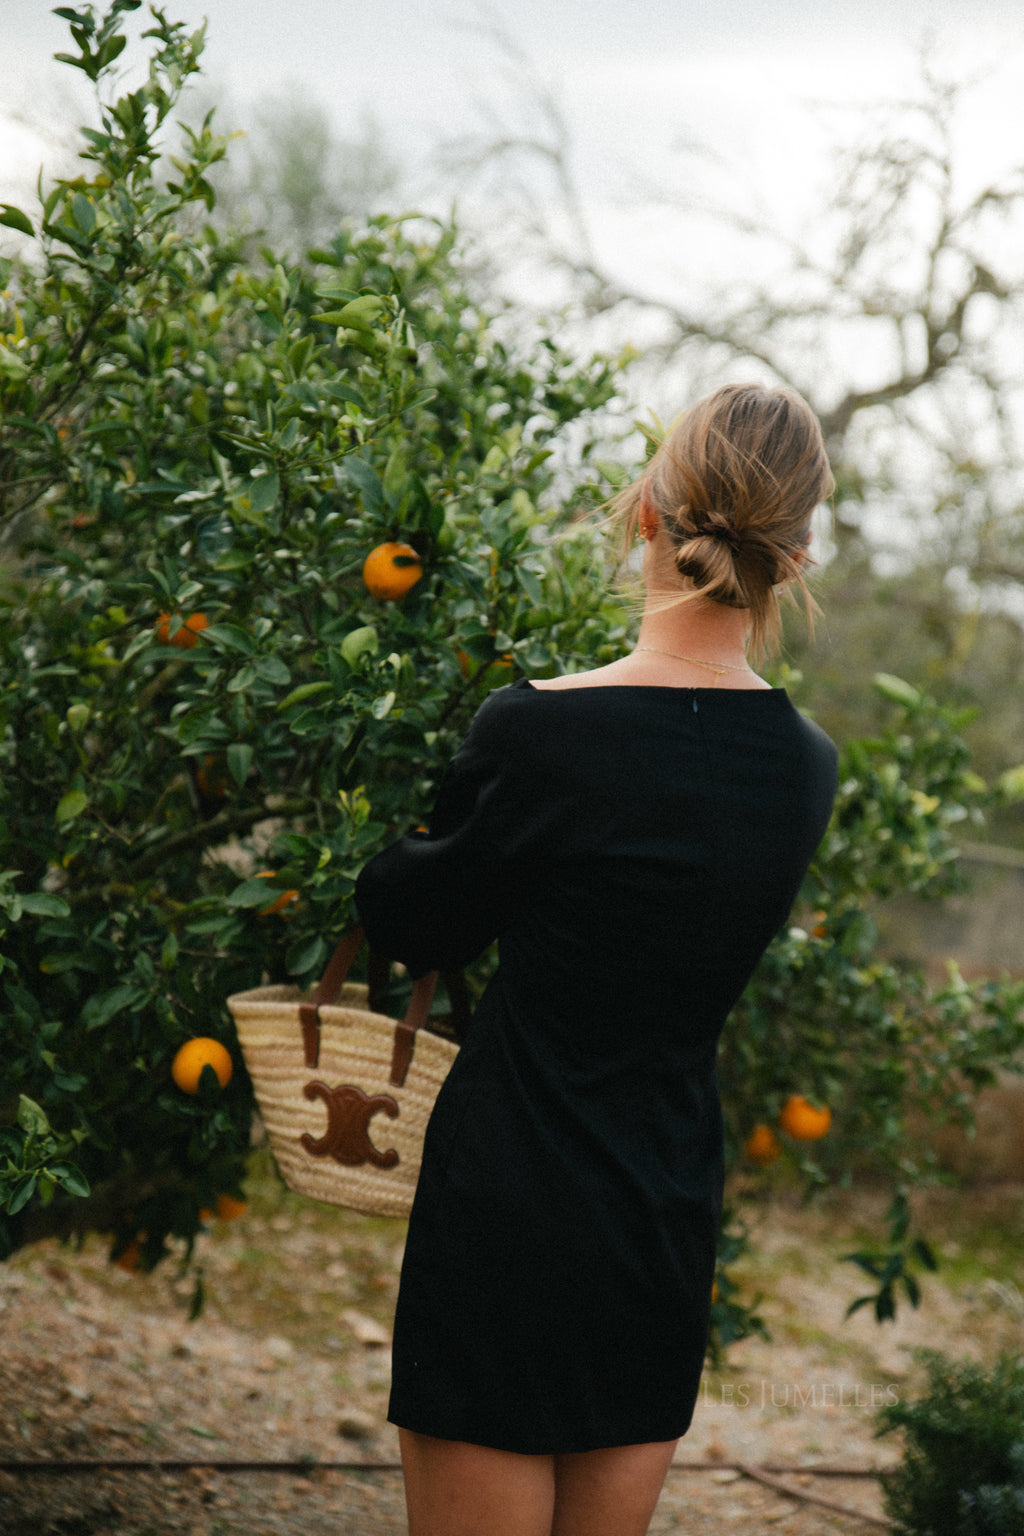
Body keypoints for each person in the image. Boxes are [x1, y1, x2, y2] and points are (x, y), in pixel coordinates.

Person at [354, 381, 839, 1536]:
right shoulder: (804, 768)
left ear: (645, 517)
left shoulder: (536, 729)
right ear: (798, 552)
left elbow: (410, 925)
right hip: (661, 1215)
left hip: (508, 1203)